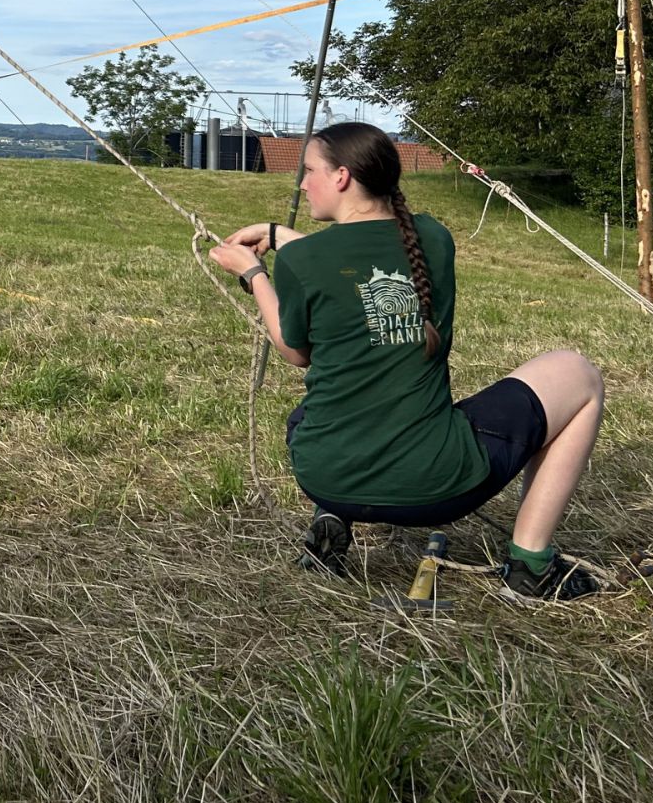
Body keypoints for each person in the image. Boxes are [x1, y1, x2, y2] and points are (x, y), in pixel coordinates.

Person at [210, 121, 606, 601]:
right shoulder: (433, 239)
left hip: (325, 477)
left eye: (309, 170)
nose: (302, 183)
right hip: (438, 489)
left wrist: (254, 273)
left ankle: (332, 516)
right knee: (578, 374)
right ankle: (530, 564)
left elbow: (295, 352)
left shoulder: (303, 260)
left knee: (312, 411)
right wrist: (282, 236)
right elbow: (358, 258)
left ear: (341, 176)